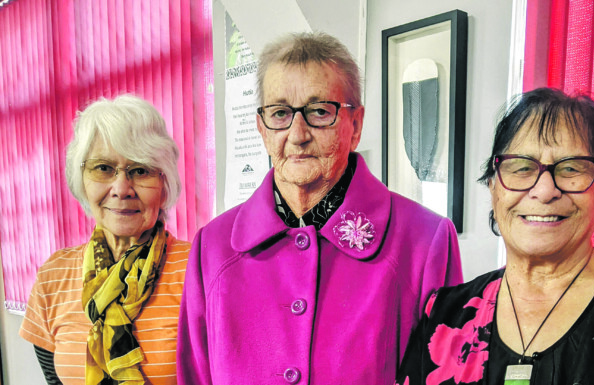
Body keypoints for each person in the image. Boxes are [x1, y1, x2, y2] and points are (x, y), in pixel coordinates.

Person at [177, 32, 463, 384]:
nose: (297, 134)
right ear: (262, 129)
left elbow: (446, 375)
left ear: (354, 125)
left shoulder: (423, 241)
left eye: (318, 112)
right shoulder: (213, 248)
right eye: (280, 113)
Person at [396, 87, 594, 385]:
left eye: (571, 168)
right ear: (493, 187)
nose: (544, 190)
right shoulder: (445, 314)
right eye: (522, 168)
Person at [20, 95, 190, 385]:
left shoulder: (197, 269)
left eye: (140, 170)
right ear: (81, 179)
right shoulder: (54, 274)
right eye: (103, 168)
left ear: (164, 183)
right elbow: (55, 380)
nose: (121, 189)